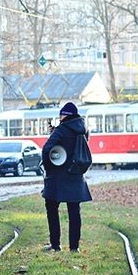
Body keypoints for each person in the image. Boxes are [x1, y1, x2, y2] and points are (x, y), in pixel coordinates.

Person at [40, 102, 93, 253]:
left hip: (58, 176)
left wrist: (49, 168)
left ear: (64, 115)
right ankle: (74, 247)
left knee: (52, 208)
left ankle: (55, 245)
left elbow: (47, 149)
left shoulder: (61, 130)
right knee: (74, 211)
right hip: (75, 174)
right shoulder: (82, 130)